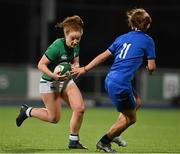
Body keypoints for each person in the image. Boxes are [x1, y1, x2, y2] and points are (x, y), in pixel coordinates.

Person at [72, 8, 156, 153]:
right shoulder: (148, 40)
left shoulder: (122, 38)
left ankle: (117, 132)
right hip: (121, 84)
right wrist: (150, 69)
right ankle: (104, 142)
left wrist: (84, 68)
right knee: (132, 119)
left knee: (138, 102)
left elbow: (102, 56)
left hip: (111, 79)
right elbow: (151, 66)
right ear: (147, 25)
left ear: (131, 24)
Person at [16, 15, 87, 149]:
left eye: (78, 38)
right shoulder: (57, 46)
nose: (76, 41)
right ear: (66, 34)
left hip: (66, 82)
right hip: (50, 83)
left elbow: (76, 61)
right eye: (73, 38)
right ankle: (27, 111)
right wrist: (53, 75)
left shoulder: (76, 45)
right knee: (53, 118)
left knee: (80, 108)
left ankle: (73, 140)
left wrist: (76, 67)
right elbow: (41, 64)